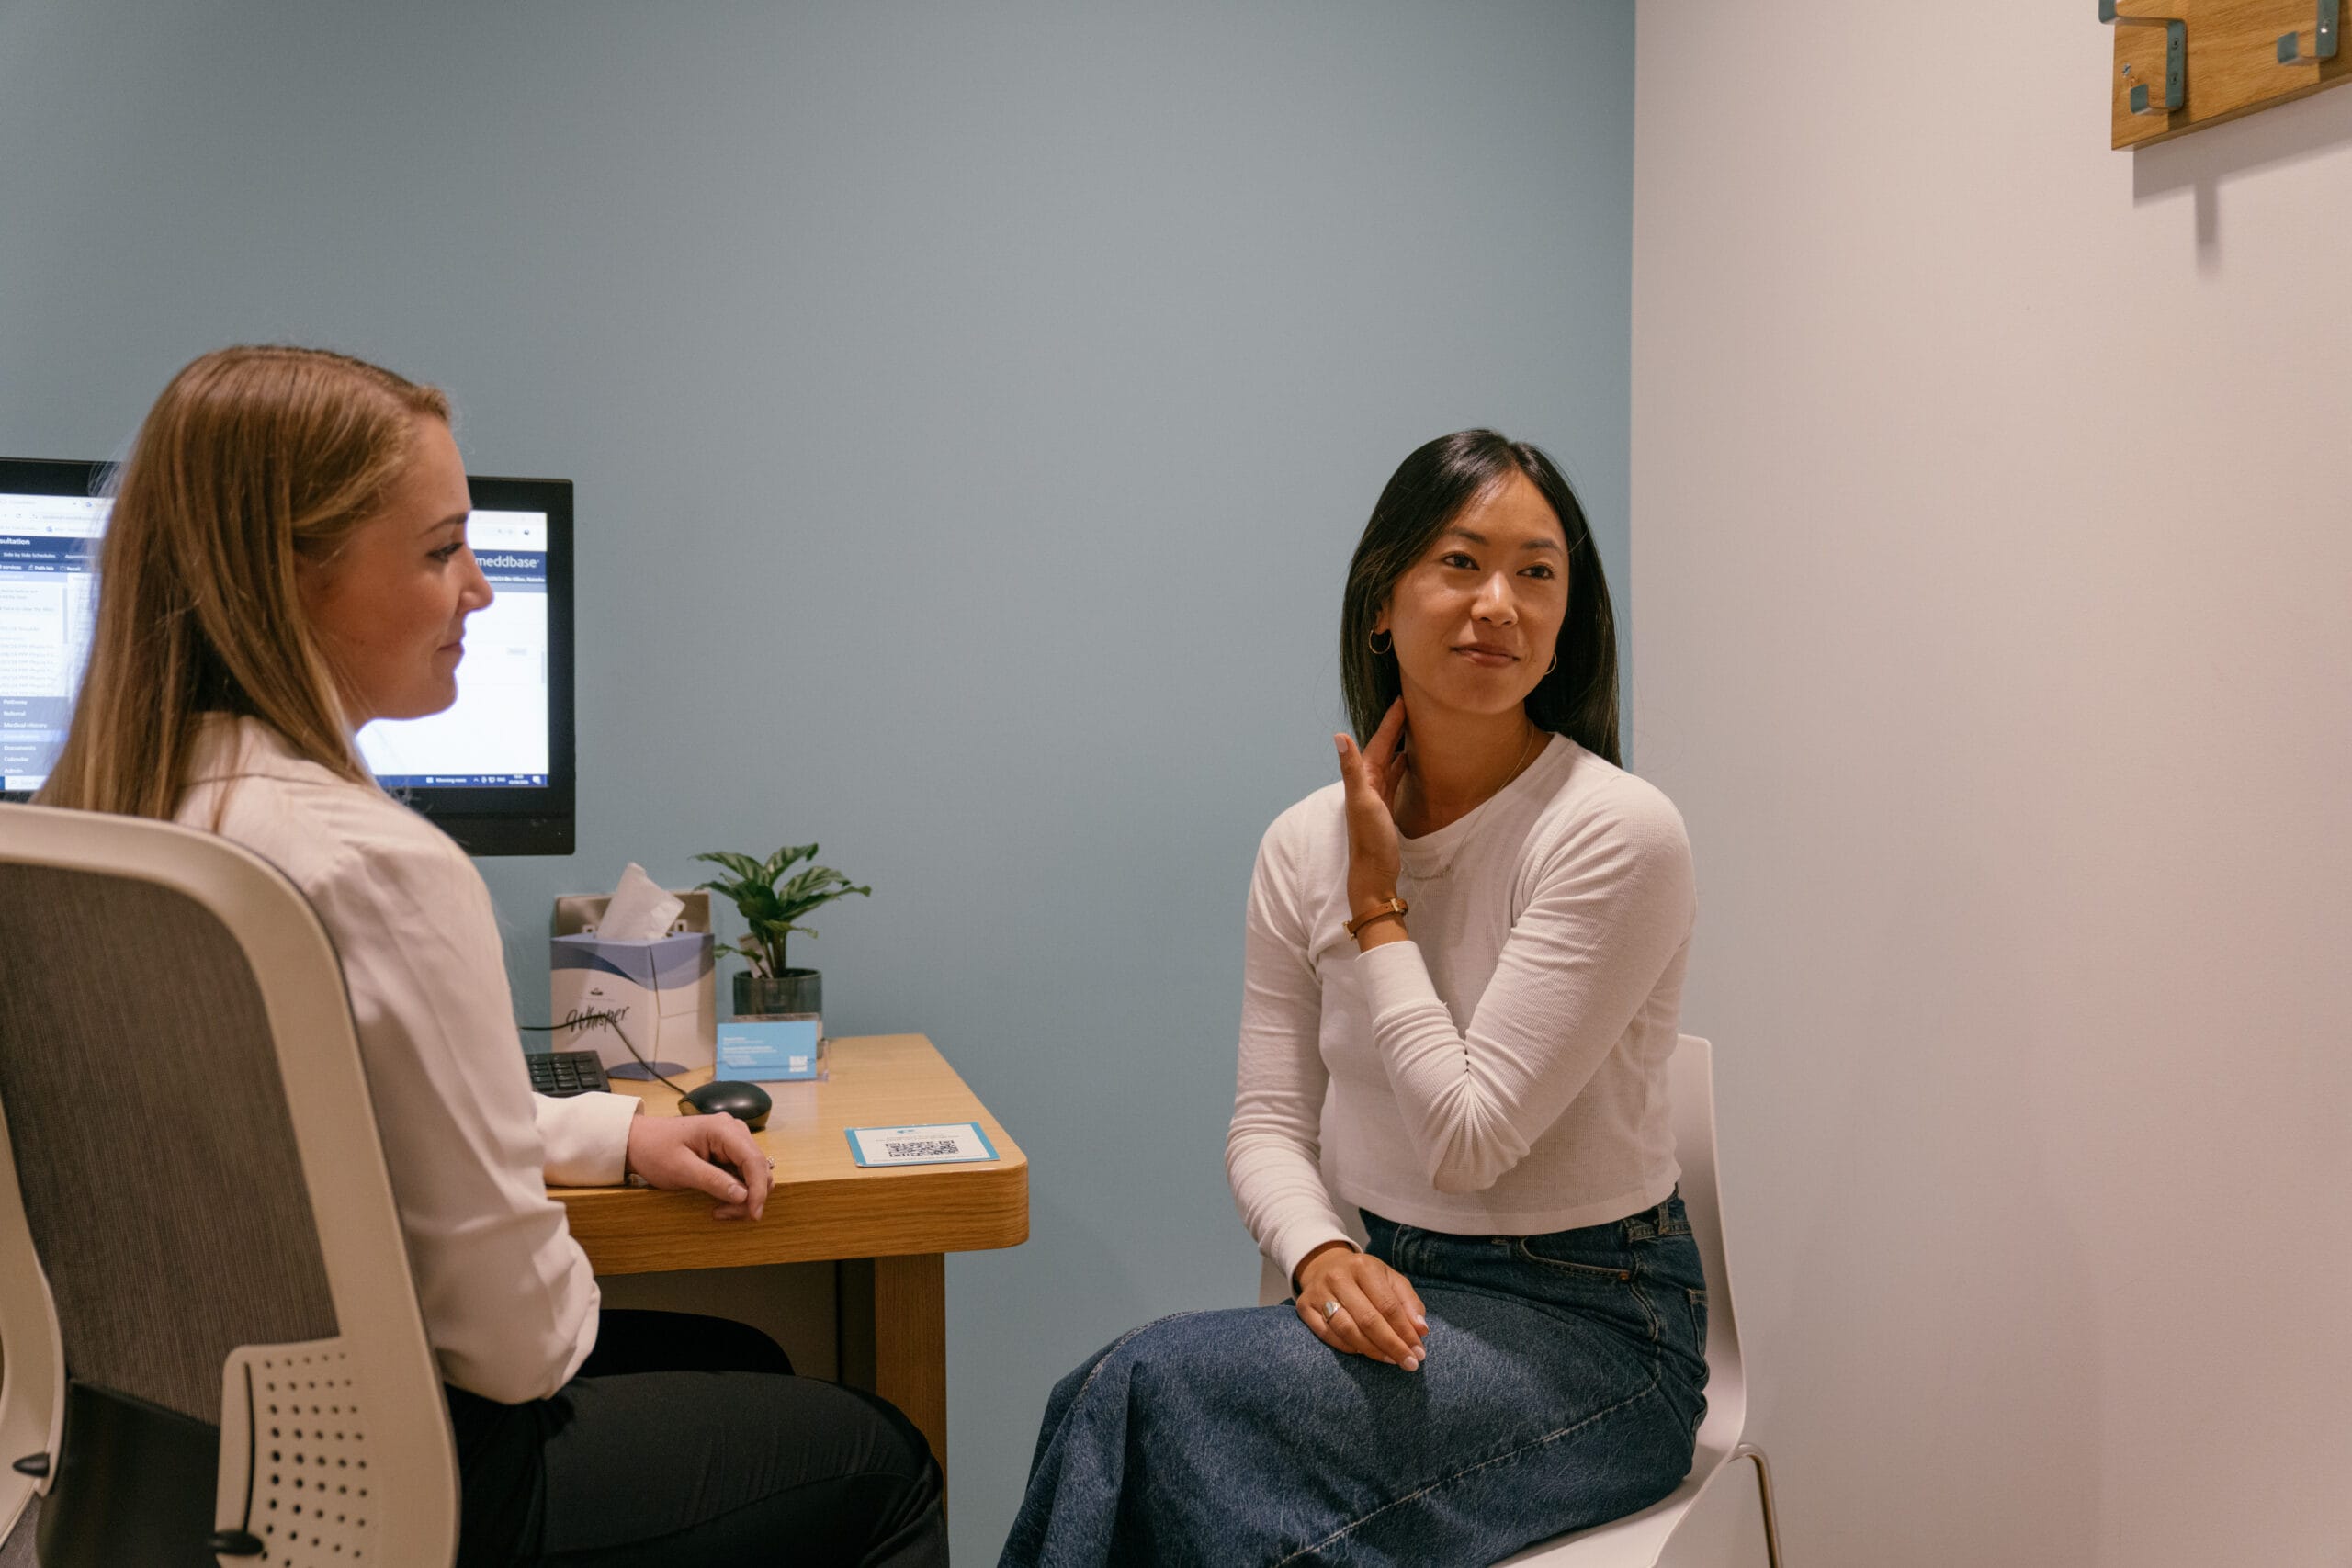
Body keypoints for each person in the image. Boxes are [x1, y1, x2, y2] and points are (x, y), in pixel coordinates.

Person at [38, 345, 945, 1568]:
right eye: (438, 550)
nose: (482, 591)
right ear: (288, 579)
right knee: (873, 1455)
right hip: (396, 1494)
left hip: (147, 1483)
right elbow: (522, 1347)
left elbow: (319, 1132)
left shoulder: (90, 832)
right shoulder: (374, 865)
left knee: (745, 1366)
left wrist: (608, 1134)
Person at [1001, 431, 1705, 1567]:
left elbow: (1467, 1142)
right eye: (1460, 562)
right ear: (1382, 601)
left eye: (1537, 572)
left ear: (1569, 616)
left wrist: (1379, 912)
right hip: (1385, 1282)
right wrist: (1321, 1255)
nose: (1498, 603)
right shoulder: (1299, 843)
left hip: (1596, 1335)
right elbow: (1268, 1125)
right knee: (1118, 1403)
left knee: (1148, 1390)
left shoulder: (1614, 831)